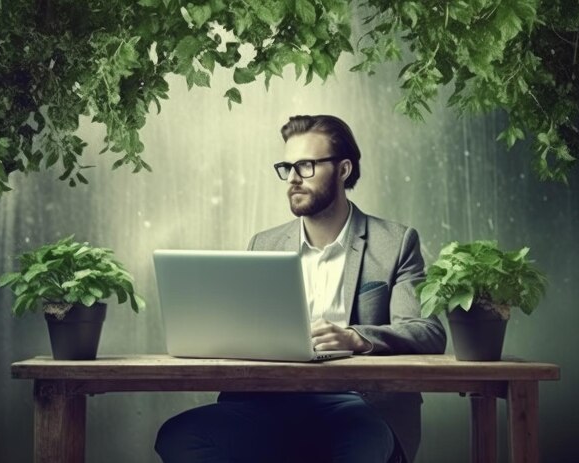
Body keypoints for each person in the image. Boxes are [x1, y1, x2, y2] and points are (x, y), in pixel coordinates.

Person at [154, 115, 447, 463]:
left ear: (343, 169)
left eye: (306, 165)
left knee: (360, 447)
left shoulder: (395, 242)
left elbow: (427, 331)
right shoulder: (264, 244)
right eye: (287, 167)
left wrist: (356, 338)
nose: (292, 178)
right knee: (181, 437)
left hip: (357, 403)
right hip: (269, 401)